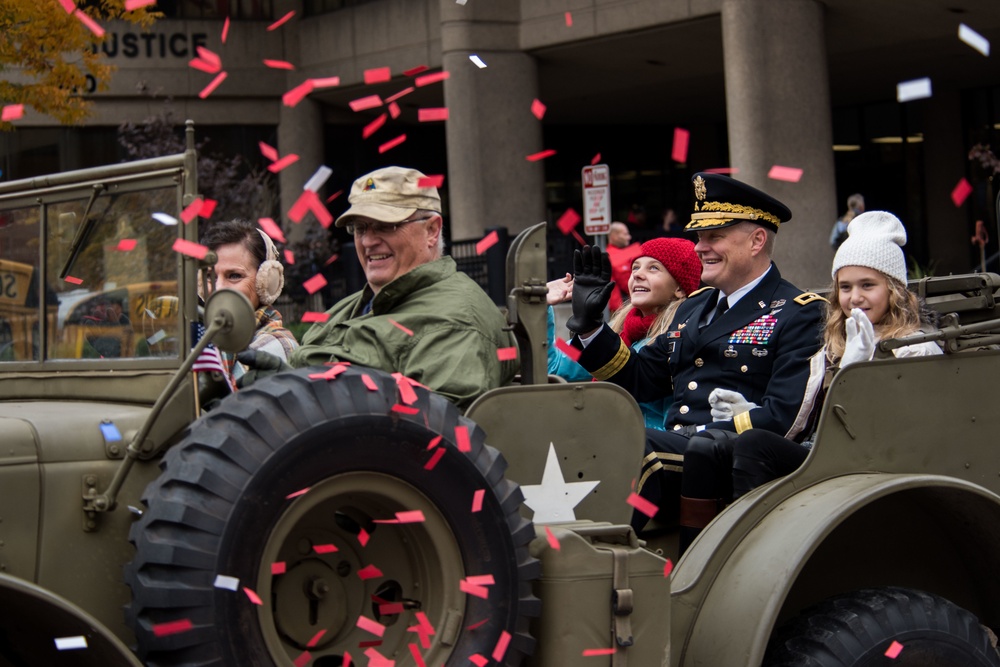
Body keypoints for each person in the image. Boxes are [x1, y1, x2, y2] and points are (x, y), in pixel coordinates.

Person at [568, 173, 826, 533]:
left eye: (714, 237)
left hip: (733, 458)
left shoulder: (798, 311)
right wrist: (592, 326)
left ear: (757, 240)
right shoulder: (695, 307)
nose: (700, 247)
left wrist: (712, 432)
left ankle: (597, 558)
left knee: (637, 445)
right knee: (576, 434)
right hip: (683, 453)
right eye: (699, 236)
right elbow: (640, 378)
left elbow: (787, 418)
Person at [680, 211, 941, 553]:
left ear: (893, 290)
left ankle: (747, 549)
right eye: (845, 288)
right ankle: (716, 551)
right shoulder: (833, 346)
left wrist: (859, 372)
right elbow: (799, 420)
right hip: (822, 453)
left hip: (874, 464)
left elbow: (901, 429)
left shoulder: (917, 346)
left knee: (753, 446)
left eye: (868, 286)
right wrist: (750, 410)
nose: (855, 298)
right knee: (725, 445)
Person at [285, 166, 517, 409]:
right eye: (360, 228)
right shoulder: (355, 305)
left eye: (386, 226)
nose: (367, 241)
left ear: (431, 230)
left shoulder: (455, 322)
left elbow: (438, 435)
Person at [201, 219, 299, 385]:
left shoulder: (278, 345)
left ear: (266, 282)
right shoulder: (206, 341)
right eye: (211, 277)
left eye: (234, 276)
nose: (218, 288)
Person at [606, 221, 641, 312]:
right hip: (624, 308)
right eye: (625, 234)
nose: (629, 237)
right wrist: (621, 312)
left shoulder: (628, 253)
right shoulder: (610, 256)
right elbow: (612, 289)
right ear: (614, 236)